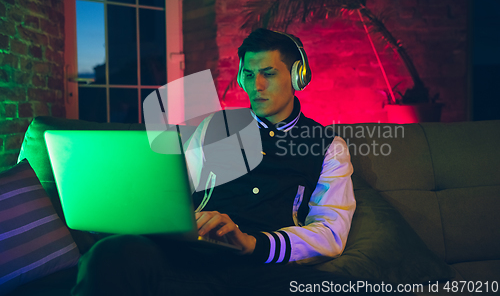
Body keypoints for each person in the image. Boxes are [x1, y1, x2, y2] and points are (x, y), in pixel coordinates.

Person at [70, 29, 381, 296]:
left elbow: (331, 233)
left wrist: (252, 244)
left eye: (268, 74)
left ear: (298, 76)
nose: (255, 86)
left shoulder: (328, 146)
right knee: (110, 256)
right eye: (248, 74)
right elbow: (171, 195)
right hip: (191, 261)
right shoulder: (213, 128)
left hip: (263, 269)